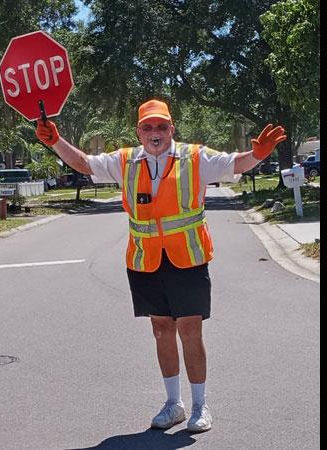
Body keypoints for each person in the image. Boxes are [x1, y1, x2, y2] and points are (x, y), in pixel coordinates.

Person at [35, 99, 286, 432]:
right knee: (161, 330)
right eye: (148, 127)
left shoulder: (195, 157)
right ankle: (173, 404)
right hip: (145, 261)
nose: (155, 133)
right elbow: (84, 163)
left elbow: (235, 163)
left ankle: (200, 405)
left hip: (188, 258)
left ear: (172, 129)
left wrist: (259, 154)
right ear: (138, 131)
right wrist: (55, 141)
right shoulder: (125, 161)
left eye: (162, 126)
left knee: (190, 331)